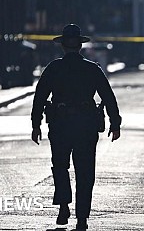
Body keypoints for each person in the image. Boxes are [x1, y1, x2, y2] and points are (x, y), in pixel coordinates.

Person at [31, 24, 121, 230]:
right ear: (80, 46)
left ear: (62, 46)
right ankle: (82, 217)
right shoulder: (92, 69)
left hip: (60, 124)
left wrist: (35, 125)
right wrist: (115, 123)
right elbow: (108, 97)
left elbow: (39, 98)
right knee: (85, 171)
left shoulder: (53, 68)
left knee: (60, 167)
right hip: (85, 126)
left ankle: (63, 205)